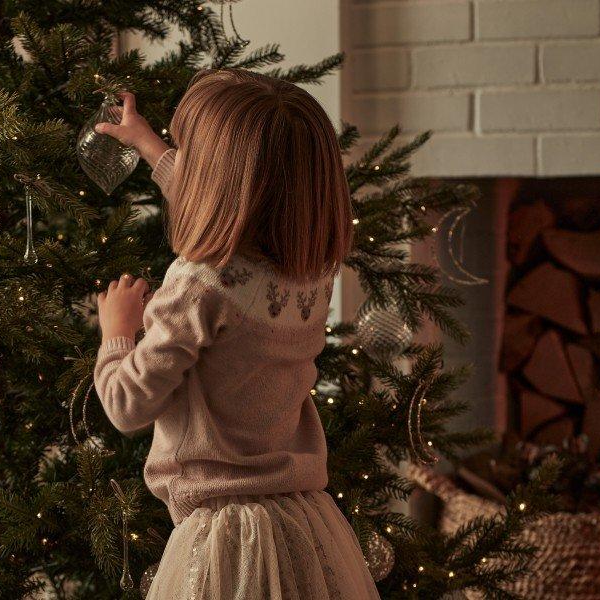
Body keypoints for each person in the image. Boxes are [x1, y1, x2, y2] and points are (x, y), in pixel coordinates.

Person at [93, 69, 380, 599]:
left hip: (221, 537)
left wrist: (117, 333)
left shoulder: (198, 283)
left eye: (191, 154)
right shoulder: (312, 269)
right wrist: (148, 145)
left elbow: (127, 402)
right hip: (301, 515)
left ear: (220, 184)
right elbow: (231, 206)